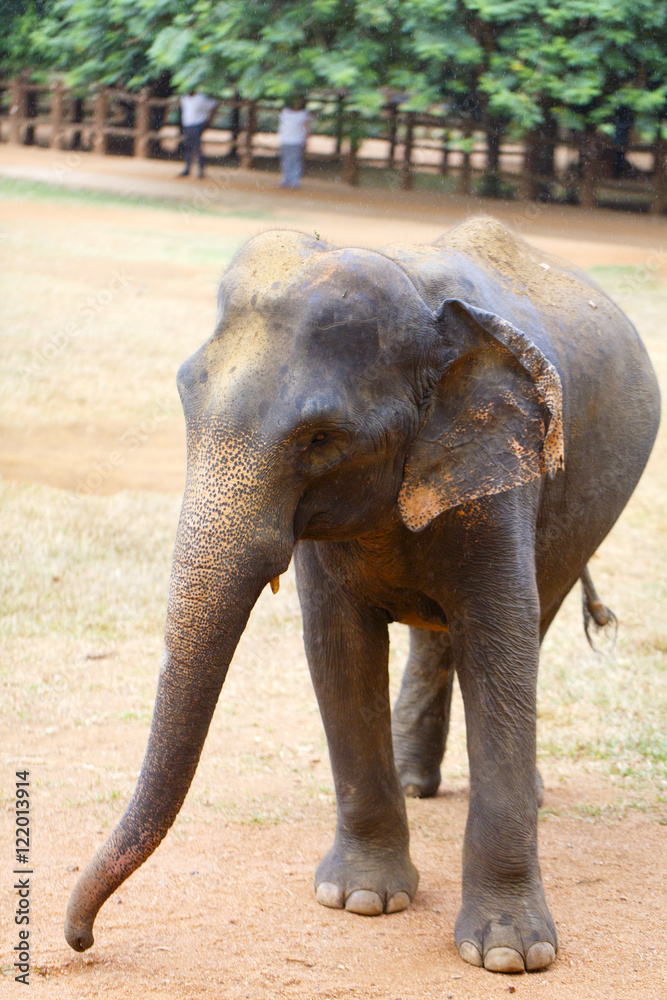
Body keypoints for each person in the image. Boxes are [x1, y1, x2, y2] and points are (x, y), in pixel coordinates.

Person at [178, 91, 217, 178]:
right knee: (188, 146)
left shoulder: (201, 98)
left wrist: (209, 119)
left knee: (196, 146)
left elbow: (213, 105)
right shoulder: (185, 98)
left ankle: (200, 169)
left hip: (197, 125)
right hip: (187, 125)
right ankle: (188, 168)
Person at [278, 97, 310, 189]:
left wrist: (306, 140)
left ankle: (294, 181)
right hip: (286, 140)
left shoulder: (302, 115)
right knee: (286, 161)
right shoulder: (286, 113)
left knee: (295, 161)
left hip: (296, 141)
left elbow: (306, 128)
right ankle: (287, 180)